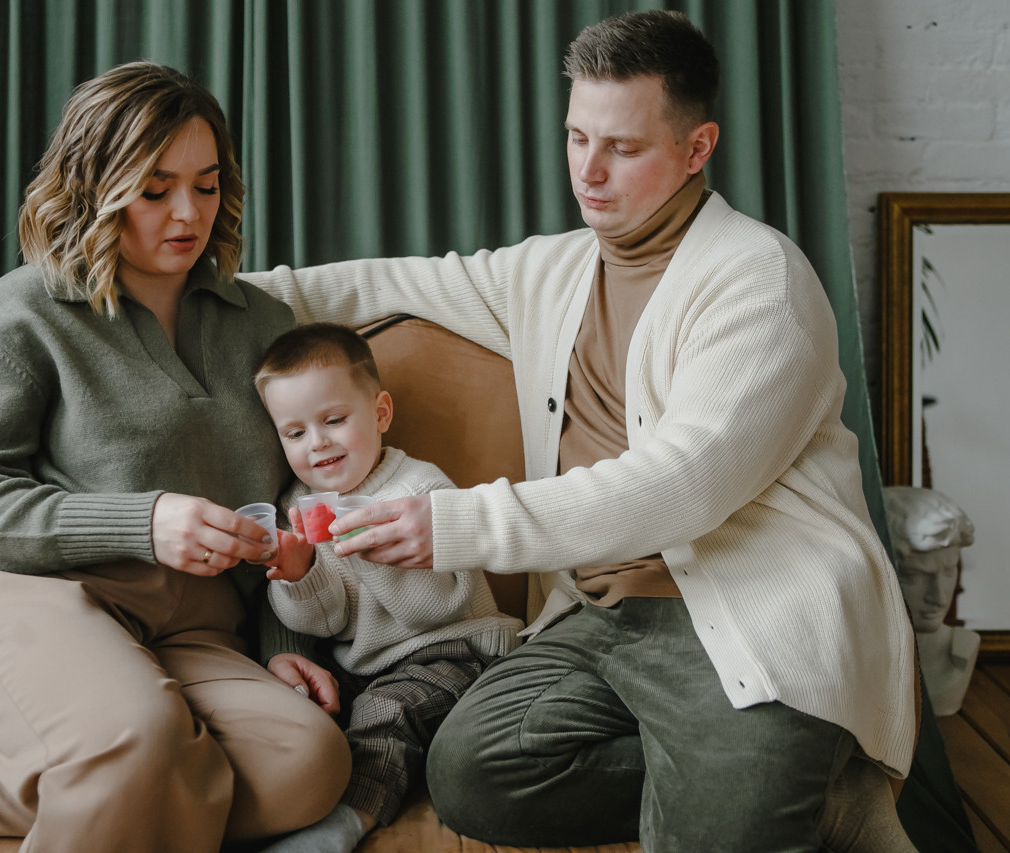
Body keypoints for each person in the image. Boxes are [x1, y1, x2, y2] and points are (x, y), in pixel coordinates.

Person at [245, 10, 918, 851]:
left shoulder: (759, 281)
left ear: (697, 148)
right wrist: (202, 292)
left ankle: (784, 772)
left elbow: (684, 482)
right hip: (595, 618)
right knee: (472, 774)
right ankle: (810, 790)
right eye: (575, 137)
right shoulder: (552, 270)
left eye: (623, 149)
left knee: (722, 835)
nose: (587, 173)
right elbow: (378, 284)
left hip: (743, 602)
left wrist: (455, 524)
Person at [0, 62, 349, 853]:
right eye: (154, 190)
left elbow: (296, 494)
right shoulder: (25, 311)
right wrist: (144, 520)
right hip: (31, 597)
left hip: (194, 628)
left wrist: (286, 643)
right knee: (142, 735)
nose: (187, 213)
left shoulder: (260, 320)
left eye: (207, 184)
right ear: (95, 185)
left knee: (308, 762)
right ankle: (86, 757)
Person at [250, 323, 522, 852]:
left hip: (453, 651)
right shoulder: (298, 504)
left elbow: (437, 608)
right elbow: (325, 621)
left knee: (385, 713)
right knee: (304, 713)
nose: (318, 443)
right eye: (295, 432)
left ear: (379, 414)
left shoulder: (420, 488)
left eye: (334, 420)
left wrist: (362, 546)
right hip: (362, 665)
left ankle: (347, 821)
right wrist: (300, 574)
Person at [884, 485, 979, 716]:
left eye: (949, 571)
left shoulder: (962, 649)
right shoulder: (853, 660)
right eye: (914, 577)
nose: (939, 596)